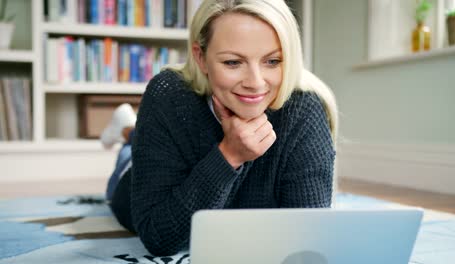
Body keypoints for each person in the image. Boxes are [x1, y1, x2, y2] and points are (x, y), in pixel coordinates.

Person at [101, 0, 338, 257]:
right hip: (132, 182)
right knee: (129, 154)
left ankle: (130, 127)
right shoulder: (168, 95)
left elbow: (305, 237)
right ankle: (127, 130)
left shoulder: (305, 110)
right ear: (201, 58)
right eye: (233, 63)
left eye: (272, 61)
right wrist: (229, 156)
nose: (255, 84)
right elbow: (160, 238)